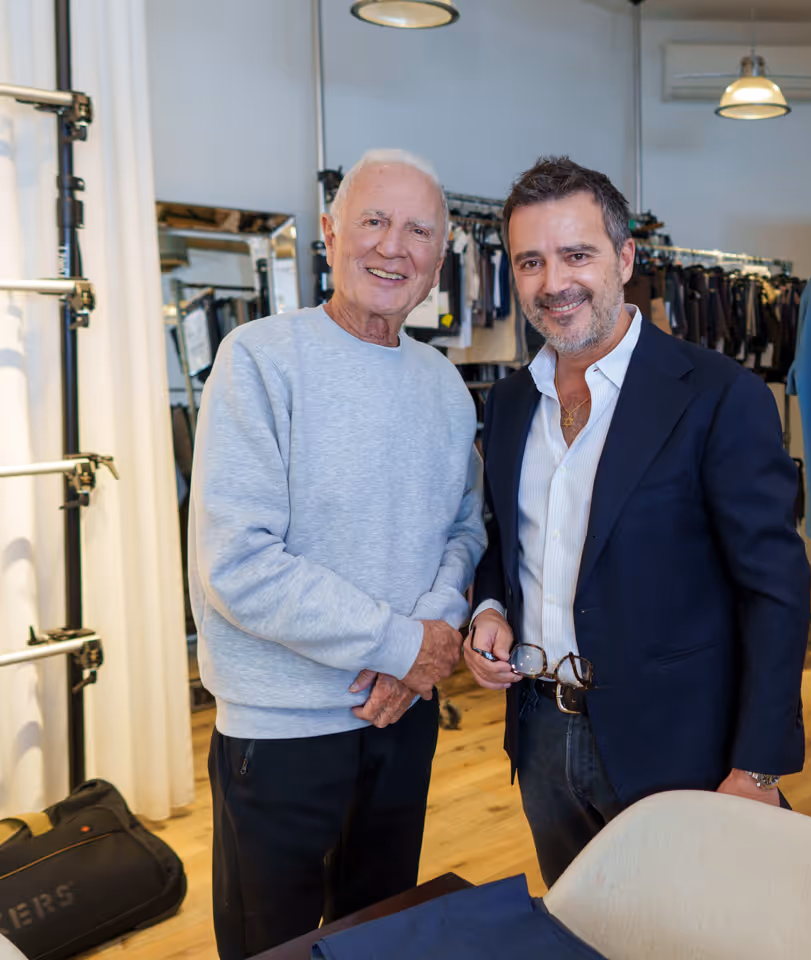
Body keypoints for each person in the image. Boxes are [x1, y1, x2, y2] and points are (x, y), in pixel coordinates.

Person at [464, 156, 811, 885]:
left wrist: (757, 766)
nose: (554, 283)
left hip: (680, 746)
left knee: (690, 933)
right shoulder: (508, 406)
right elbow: (509, 542)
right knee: (580, 929)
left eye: (576, 254)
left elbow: (776, 592)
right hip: (539, 735)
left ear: (624, 257)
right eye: (531, 262)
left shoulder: (720, 396)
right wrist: (491, 608)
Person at [188, 148, 485, 959]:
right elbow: (240, 564)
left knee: (381, 936)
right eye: (374, 221)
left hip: (403, 720)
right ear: (330, 233)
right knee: (271, 948)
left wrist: (427, 641)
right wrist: (404, 647)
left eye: (418, 230)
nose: (394, 247)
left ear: (439, 258)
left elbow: (464, 529)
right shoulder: (258, 359)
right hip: (279, 734)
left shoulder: (445, 386)